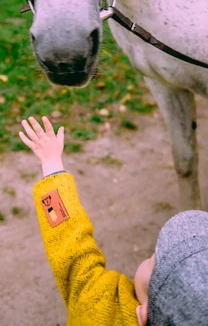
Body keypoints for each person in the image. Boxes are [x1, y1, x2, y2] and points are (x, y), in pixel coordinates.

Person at [19, 115, 208, 326]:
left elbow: (71, 248)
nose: (149, 257)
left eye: (153, 259)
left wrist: (51, 164)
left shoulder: (98, 304)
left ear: (143, 314)